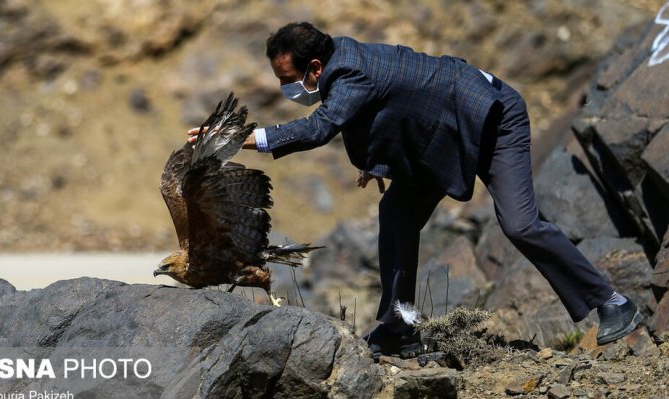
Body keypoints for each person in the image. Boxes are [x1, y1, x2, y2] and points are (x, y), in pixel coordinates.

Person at [188, 21, 644, 358]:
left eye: (288, 80)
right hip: (444, 136)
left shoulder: (348, 74)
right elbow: (391, 108)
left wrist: (235, 138)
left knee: (520, 224)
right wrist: (378, 160)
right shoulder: (341, 57)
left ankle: (613, 303)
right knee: (398, 216)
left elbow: (320, 128)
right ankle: (397, 327)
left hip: (493, 121)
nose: (287, 88)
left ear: (314, 66)